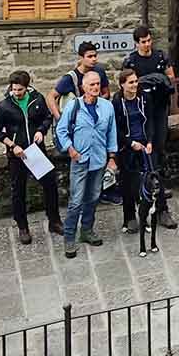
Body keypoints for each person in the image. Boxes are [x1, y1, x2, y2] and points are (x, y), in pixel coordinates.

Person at [0, 69, 61, 243]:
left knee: (50, 185)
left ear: (27, 87)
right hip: (18, 154)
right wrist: (12, 145)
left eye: (20, 90)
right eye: (14, 89)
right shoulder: (4, 106)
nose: (16, 93)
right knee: (19, 191)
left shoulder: (37, 99)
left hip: (36, 151)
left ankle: (54, 220)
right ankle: (23, 227)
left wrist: (41, 131)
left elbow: (47, 118)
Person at [57, 68, 119, 257]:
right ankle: (69, 238)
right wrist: (71, 149)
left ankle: (87, 231)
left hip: (99, 160)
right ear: (83, 87)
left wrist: (112, 158)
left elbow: (112, 133)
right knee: (76, 201)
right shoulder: (73, 106)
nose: (95, 87)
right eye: (91, 84)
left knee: (93, 197)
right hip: (80, 160)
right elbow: (61, 130)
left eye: (98, 84)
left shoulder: (107, 107)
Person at [113, 68, 173, 242]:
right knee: (129, 183)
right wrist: (130, 143)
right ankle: (130, 217)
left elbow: (150, 120)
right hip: (128, 147)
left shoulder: (144, 98)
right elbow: (116, 128)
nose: (134, 85)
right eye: (131, 82)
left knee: (155, 178)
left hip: (145, 144)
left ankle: (162, 211)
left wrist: (149, 141)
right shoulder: (117, 102)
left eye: (136, 81)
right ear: (122, 84)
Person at [53, 42, 110, 116]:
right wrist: (59, 118)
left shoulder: (100, 72)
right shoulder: (71, 77)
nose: (94, 59)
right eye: (89, 56)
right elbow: (50, 97)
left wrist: (97, 101)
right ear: (81, 58)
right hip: (79, 117)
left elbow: (106, 93)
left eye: (95, 56)